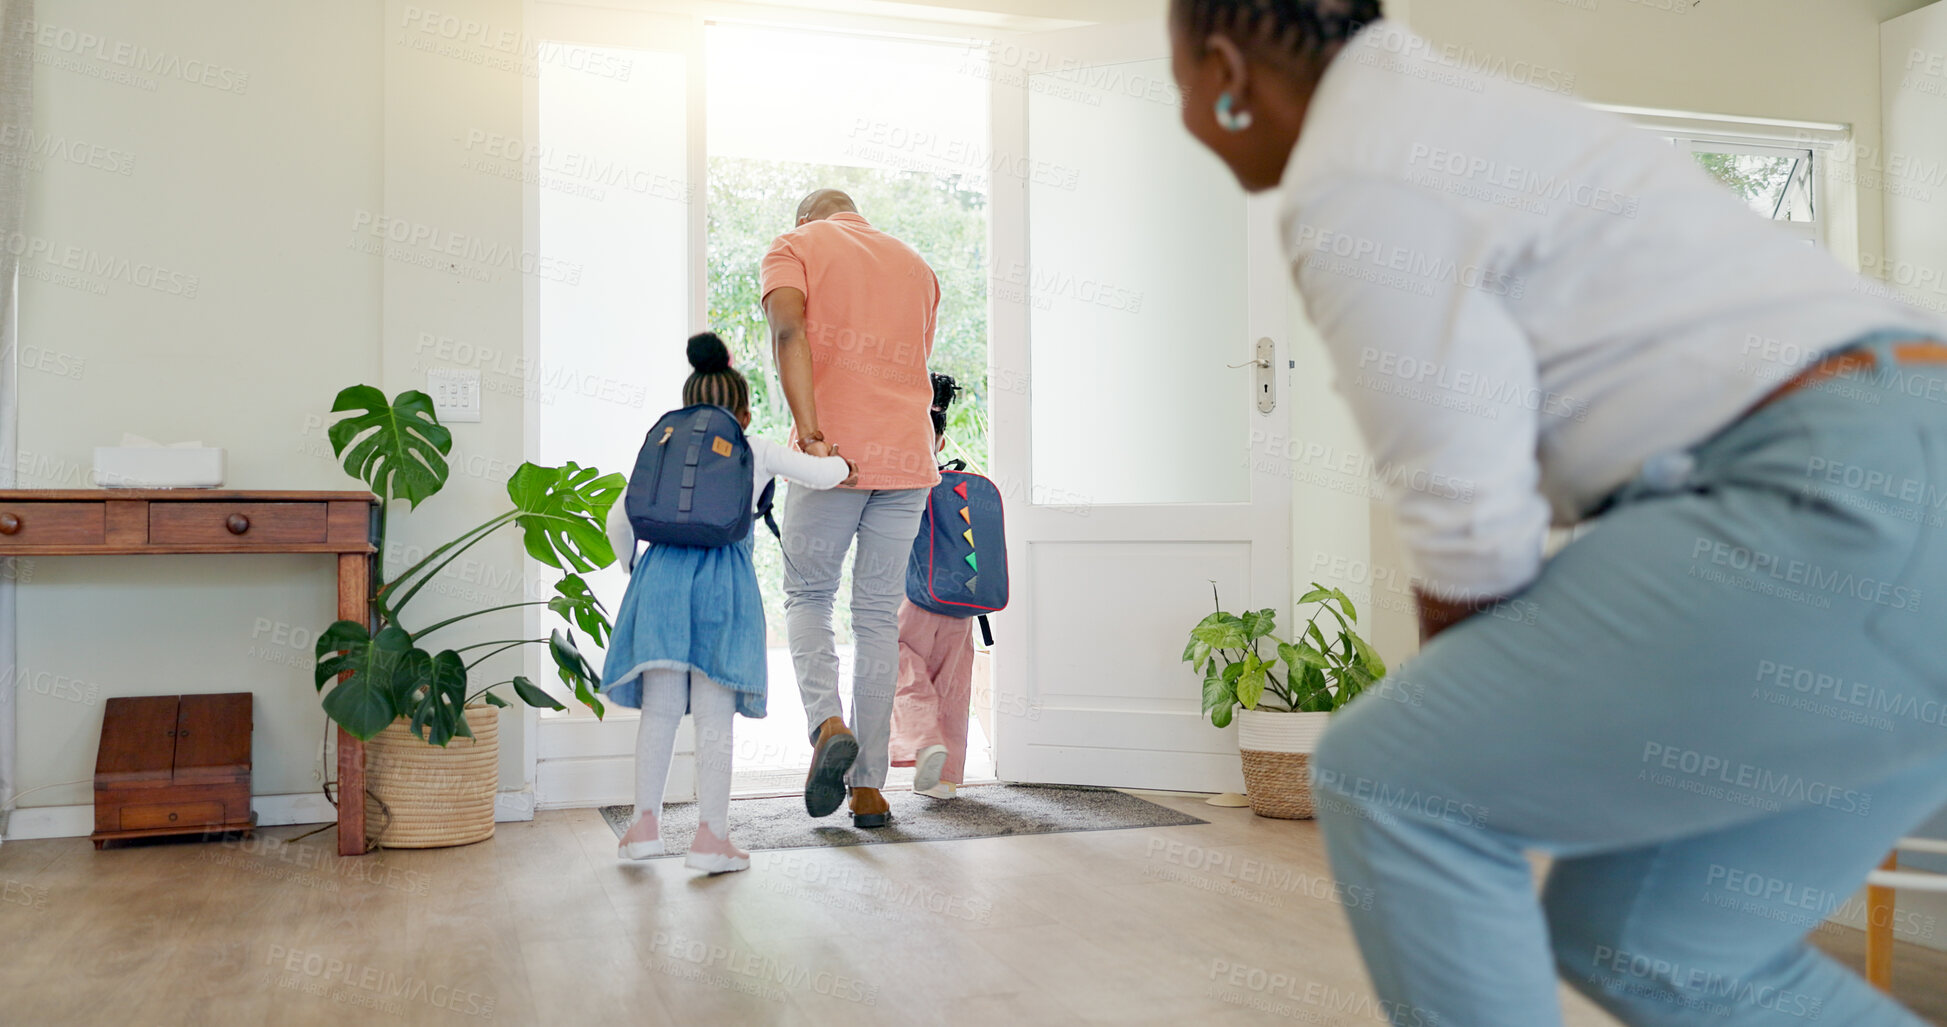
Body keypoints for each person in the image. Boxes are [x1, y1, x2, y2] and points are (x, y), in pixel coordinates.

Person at [1167, 1, 1947, 1024]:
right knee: (1654, 943)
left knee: (1394, 780)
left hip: (1846, 496)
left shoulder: (1358, 172)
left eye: (1174, 73)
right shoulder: (1470, 118)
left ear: (1223, 65)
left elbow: (1469, 512)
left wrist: (1472, 731)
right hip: (1895, 488)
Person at [602, 333, 855, 873]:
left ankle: (644, 828)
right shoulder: (753, 446)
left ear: (690, 398)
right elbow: (825, 475)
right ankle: (710, 839)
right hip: (723, 585)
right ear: (741, 410)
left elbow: (618, 521)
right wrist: (838, 462)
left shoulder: (666, 443)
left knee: (661, 710)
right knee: (714, 720)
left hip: (660, 583)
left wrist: (634, 569)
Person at [762, 188, 942, 828]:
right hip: (909, 460)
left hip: (830, 456)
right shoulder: (917, 265)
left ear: (805, 217)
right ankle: (868, 790)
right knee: (874, 616)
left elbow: (787, 330)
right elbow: (913, 366)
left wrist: (809, 432)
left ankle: (826, 726)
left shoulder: (795, 245)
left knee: (808, 598)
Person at [890, 373, 973, 800]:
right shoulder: (962, 484)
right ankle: (945, 781)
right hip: (962, 602)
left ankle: (925, 740)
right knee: (954, 685)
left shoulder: (900, 484)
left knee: (901, 665)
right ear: (940, 440)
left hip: (913, 596)